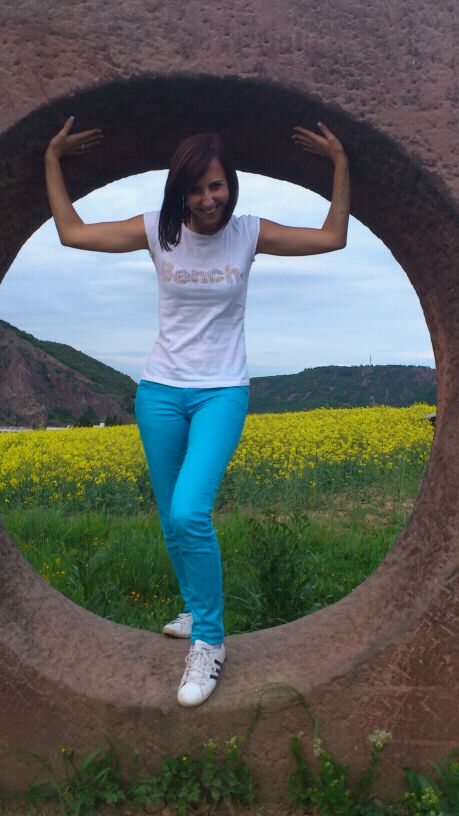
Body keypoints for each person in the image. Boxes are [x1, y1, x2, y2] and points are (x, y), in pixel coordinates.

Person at [45, 117, 350, 707]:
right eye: (196, 188)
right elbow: (71, 233)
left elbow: (331, 236)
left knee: (190, 511)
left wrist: (341, 164)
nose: (209, 199)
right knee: (169, 519)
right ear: (177, 190)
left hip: (221, 391)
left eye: (218, 186)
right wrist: (52, 160)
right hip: (159, 390)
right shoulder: (158, 234)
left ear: (230, 185)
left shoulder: (249, 233)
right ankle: (191, 608)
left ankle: (210, 641)